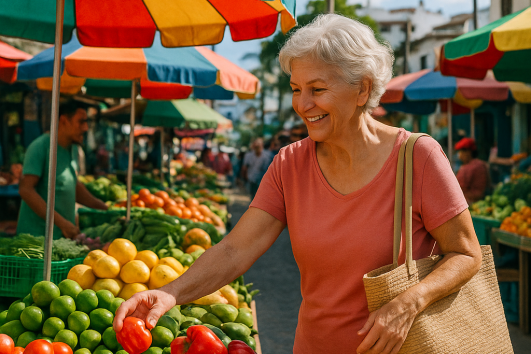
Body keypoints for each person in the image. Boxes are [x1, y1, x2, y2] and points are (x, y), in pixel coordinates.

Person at [113, 14, 482, 354]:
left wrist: (410, 301)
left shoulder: (418, 157)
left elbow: (466, 253)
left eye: (317, 89)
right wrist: (169, 293)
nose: (303, 104)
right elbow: (234, 251)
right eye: (295, 88)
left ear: (362, 90)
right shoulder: (290, 164)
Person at [17, 100, 108, 239]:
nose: (85, 128)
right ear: (64, 120)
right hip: (36, 241)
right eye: (81, 122)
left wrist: (104, 208)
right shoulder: (40, 146)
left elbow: (73, 186)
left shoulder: (71, 149)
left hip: (60, 240)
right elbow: (26, 190)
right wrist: (62, 223)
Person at [455, 137, 490, 204]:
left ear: (468, 152)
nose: (459, 156)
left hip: (472, 203)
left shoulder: (475, 166)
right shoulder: (467, 165)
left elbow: (461, 187)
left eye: (461, 152)